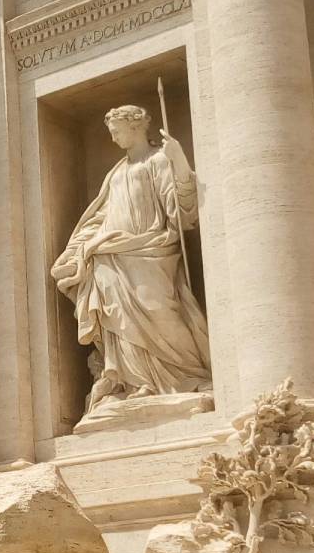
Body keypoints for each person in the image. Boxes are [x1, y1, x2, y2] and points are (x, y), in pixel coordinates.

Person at [49, 103, 210, 417]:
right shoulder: (118, 171)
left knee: (160, 310)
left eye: (116, 131)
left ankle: (188, 375)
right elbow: (100, 217)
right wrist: (77, 251)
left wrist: (179, 163)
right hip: (110, 254)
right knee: (119, 320)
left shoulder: (159, 159)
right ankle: (135, 383)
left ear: (135, 126)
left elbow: (181, 211)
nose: (113, 138)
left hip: (151, 249)